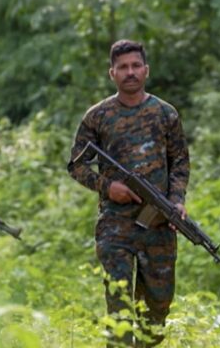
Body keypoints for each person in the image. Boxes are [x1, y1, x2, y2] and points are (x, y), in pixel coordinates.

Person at [67, 40, 189, 347]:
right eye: (123, 67)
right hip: (115, 225)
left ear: (146, 70)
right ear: (112, 73)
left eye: (135, 66)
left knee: (157, 307)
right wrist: (108, 187)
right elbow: (76, 165)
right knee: (119, 305)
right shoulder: (98, 116)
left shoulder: (165, 113)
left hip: (158, 223)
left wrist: (177, 201)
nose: (130, 72)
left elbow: (180, 163)